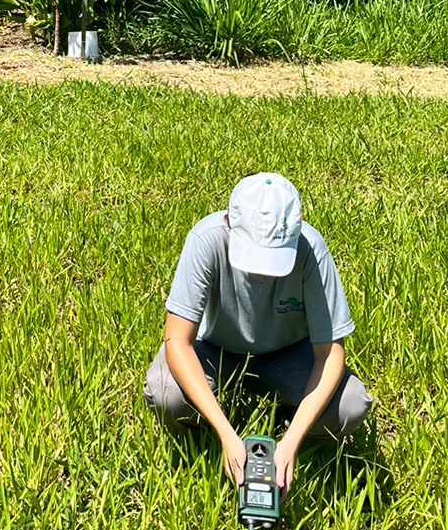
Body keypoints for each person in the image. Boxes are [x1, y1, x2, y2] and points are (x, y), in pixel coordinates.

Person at [143, 173, 371, 492]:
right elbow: (177, 341)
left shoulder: (311, 250)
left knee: (350, 405)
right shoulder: (205, 239)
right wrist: (225, 432)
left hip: (287, 351)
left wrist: (291, 441)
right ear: (228, 223)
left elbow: (330, 352)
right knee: (164, 391)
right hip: (215, 348)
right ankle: (203, 431)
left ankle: (289, 420)